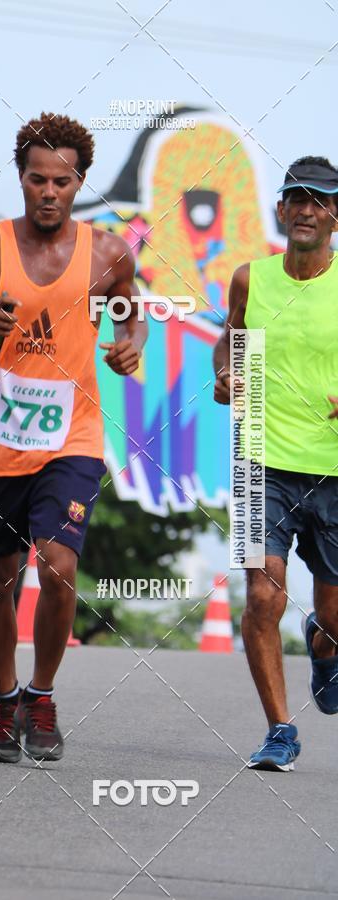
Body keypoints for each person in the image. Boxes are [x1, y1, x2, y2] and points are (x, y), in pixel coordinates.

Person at [0, 112, 147, 762]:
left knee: (57, 564)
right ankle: (5, 702)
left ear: (80, 183)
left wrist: (130, 345)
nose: (49, 193)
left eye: (62, 182)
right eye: (37, 180)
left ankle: (41, 696)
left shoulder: (107, 254)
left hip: (73, 438)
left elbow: (132, 316)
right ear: (20, 178)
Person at [213, 156, 338, 771]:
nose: (307, 210)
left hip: (334, 468)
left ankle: (324, 643)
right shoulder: (250, 279)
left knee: (335, 616)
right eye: (298, 199)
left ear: (335, 216)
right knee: (262, 593)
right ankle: (280, 730)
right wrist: (225, 373)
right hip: (258, 456)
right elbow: (230, 340)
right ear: (281, 209)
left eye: (320, 201)